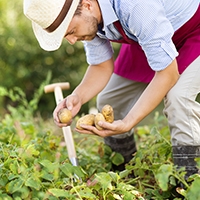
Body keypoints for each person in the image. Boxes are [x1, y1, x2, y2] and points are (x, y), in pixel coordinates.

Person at [24, 0, 200, 179]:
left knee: (178, 98)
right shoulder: (90, 18)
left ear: (86, 5)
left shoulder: (135, 6)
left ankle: (189, 182)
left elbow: (167, 75)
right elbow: (101, 66)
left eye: (71, 31)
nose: (71, 40)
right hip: (151, 35)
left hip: (194, 29)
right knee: (110, 100)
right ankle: (125, 174)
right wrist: (78, 96)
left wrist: (128, 122)